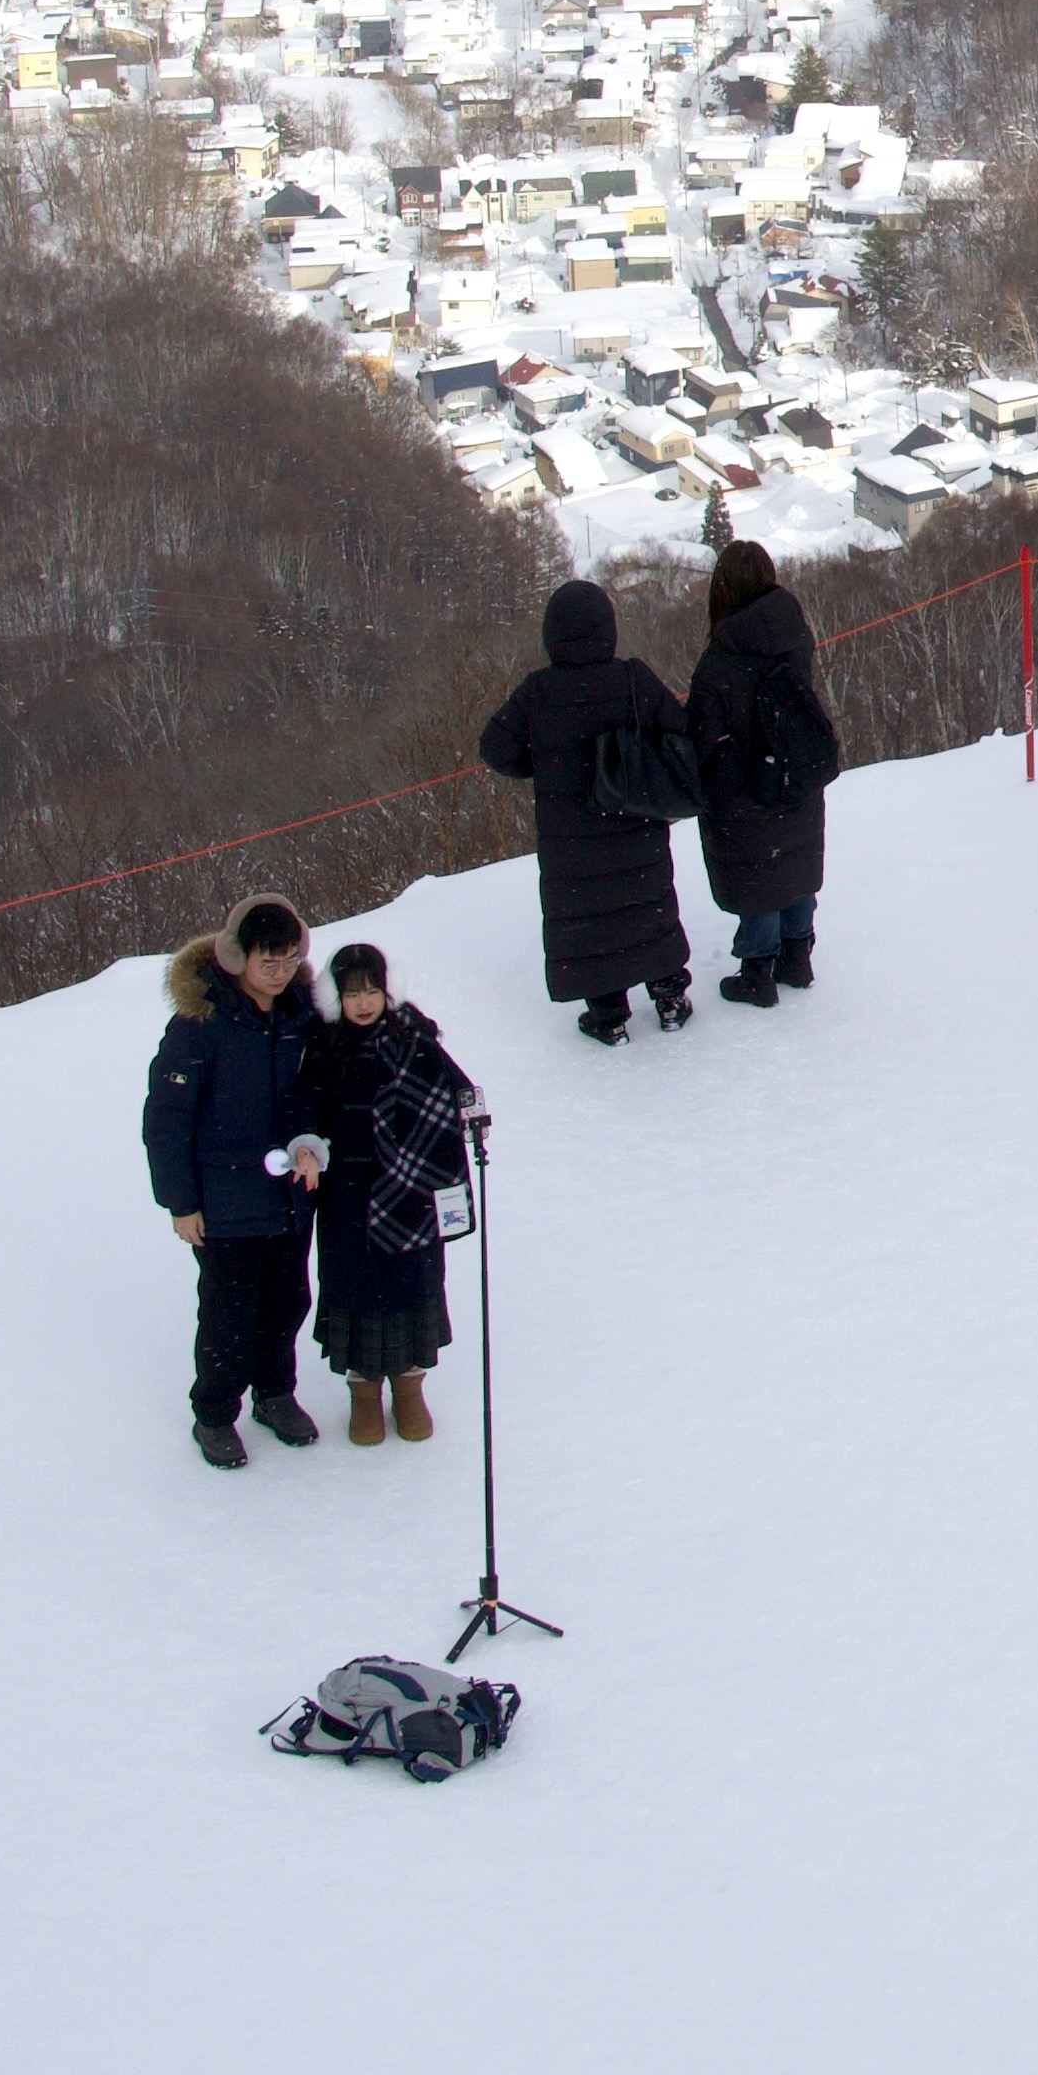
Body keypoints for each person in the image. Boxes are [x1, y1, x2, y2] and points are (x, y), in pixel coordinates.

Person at [476, 579, 699, 1042]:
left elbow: (494, 748)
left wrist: (539, 765)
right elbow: (679, 731)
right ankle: (670, 997)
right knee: (647, 906)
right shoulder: (633, 678)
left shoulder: (537, 691)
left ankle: (609, 1015)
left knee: (589, 922)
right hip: (634, 822)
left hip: (571, 839)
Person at [146, 897, 327, 1465]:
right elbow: (166, 1120)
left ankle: (274, 1394)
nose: (279, 973)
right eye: (267, 961)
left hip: (287, 1197)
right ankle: (214, 1414)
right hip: (224, 1200)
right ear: (238, 958)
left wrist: (304, 1144)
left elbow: (308, 1093)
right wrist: (181, 1203)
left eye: (288, 959)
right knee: (229, 1311)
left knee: (288, 1300)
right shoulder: (200, 1025)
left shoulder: (300, 1014)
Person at [297, 944, 480, 1444]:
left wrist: (474, 1117)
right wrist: (306, 1147)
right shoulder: (324, 1047)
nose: (363, 1003)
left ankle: (409, 1390)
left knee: (412, 1290)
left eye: (372, 991)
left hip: (414, 1194)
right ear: (336, 997)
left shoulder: (415, 1039)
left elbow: (458, 1089)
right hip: (347, 1198)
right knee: (356, 1294)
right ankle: (364, 1396)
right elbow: (303, 1109)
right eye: (352, 993)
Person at [686, 538, 842, 1009]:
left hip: (745, 785)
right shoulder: (794, 634)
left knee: (758, 870)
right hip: (797, 768)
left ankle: (757, 970)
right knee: (792, 858)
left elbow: (701, 736)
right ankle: (797, 954)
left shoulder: (720, 661)